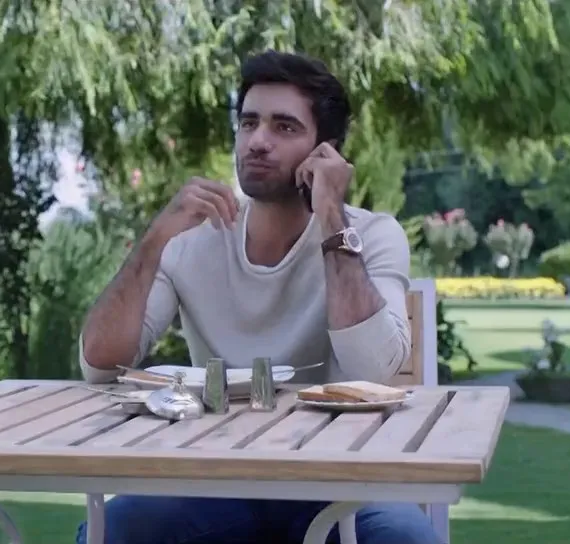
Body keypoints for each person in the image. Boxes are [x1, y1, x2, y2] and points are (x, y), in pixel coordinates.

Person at [74, 50, 438, 544]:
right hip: (216, 476)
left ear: (326, 152)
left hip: (339, 477)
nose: (258, 141)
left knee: (405, 538)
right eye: (249, 123)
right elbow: (100, 365)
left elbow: (372, 369)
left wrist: (332, 215)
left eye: (284, 127)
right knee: (112, 530)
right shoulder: (191, 240)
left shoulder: (370, 236)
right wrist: (154, 241)